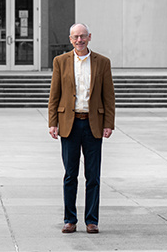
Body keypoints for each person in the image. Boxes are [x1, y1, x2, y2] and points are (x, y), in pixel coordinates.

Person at [48, 23, 116, 234]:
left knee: (93, 176)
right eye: (76, 37)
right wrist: (53, 122)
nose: (79, 40)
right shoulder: (61, 61)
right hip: (69, 124)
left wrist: (108, 123)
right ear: (70, 39)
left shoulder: (102, 62)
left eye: (83, 36)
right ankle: (70, 219)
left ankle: (92, 221)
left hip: (93, 124)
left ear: (89, 37)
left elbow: (109, 96)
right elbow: (54, 94)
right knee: (70, 174)